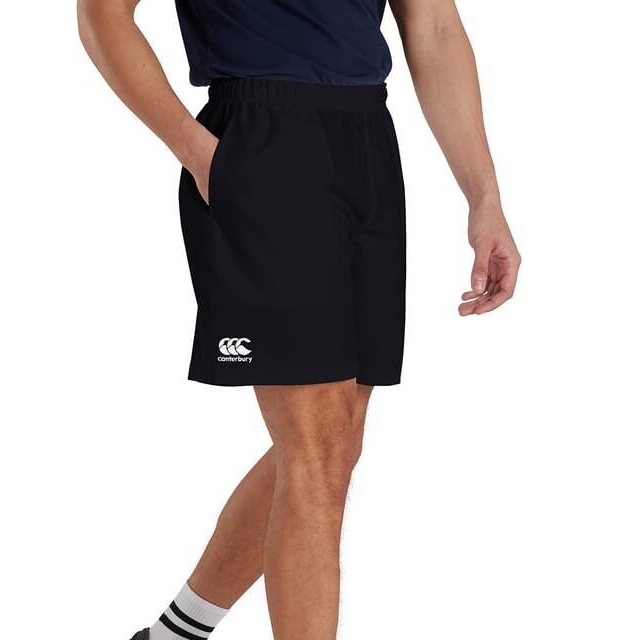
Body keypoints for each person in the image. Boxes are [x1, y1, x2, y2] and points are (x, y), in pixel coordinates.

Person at [77, 0, 521, 638]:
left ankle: (174, 633)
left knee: (336, 444)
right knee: (318, 450)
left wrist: (484, 197)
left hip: (367, 141)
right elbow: (101, 13)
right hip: (261, 135)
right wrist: (199, 153)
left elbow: (434, 25)